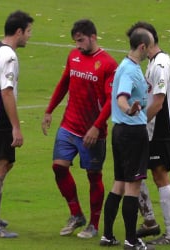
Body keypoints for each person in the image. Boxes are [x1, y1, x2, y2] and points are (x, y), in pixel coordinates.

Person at [41, 19, 118, 239]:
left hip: (92, 132)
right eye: (75, 41)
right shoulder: (73, 57)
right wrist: (49, 110)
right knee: (58, 167)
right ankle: (76, 214)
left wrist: (96, 126)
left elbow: (111, 100)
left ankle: (93, 224)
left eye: (81, 40)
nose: (78, 45)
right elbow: (64, 82)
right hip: (69, 125)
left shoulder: (107, 64)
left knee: (93, 176)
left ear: (93, 37)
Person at [125, 21, 170, 245]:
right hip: (151, 130)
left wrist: (139, 123)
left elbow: (158, 102)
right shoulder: (153, 63)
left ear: (145, 44)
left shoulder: (161, 64)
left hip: (160, 130)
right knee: (134, 172)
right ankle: (149, 221)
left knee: (159, 176)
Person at [100, 26, 155, 250]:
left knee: (119, 184)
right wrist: (129, 109)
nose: (150, 51)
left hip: (120, 132)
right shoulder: (131, 71)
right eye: (149, 47)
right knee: (133, 186)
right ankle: (131, 241)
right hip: (132, 132)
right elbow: (122, 97)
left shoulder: (125, 65)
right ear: (142, 47)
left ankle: (107, 235)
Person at [0, 10, 34, 239]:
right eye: (28, 32)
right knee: (1, 167)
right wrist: (16, 127)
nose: (29, 36)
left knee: (5, 165)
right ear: (19, 32)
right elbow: (7, 92)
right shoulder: (9, 57)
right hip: (1, 120)